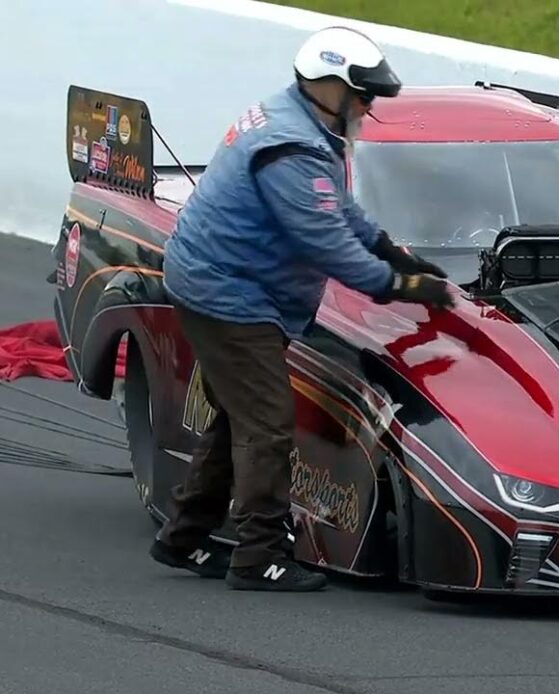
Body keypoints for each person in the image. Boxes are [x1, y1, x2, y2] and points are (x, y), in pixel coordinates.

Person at [148, 26, 453, 592]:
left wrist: (386, 245)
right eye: (363, 94)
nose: (369, 105)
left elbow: (337, 208)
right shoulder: (291, 148)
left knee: (240, 414)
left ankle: (183, 537)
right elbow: (326, 243)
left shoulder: (302, 121)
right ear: (331, 87)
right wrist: (400, 283)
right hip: (228, 295)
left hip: (225, 283)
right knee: (267, 425)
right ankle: (259, 555)